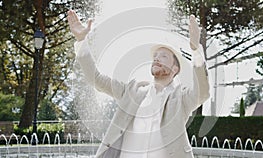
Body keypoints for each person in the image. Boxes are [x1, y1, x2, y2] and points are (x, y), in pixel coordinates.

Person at [67, 9, 210, 158]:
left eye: (163, 56)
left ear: (175, 68)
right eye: (155, 56)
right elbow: (96, 79)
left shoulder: (181, 98)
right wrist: (81, 41)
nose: (156, 58)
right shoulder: (132, 90)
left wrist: (196, 51)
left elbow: (203, 92)